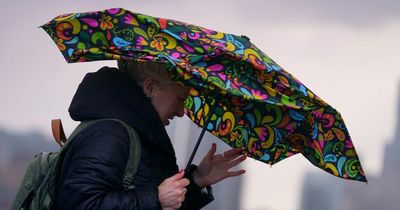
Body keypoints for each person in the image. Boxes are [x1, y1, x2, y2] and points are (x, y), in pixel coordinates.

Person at [55, 60, 246, 210]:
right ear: (150, 87)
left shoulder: (139, 136)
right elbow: (77, 205)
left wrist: (196, 181)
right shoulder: (110, 134)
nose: (181, 112)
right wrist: (156, 198)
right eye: (180, 99)